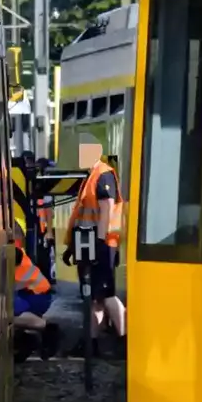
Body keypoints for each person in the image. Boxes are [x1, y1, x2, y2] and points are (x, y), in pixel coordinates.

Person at [61, 141, 127, 359]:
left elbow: (107, 209)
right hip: (90, 244)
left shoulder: (103, 174)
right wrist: (72, 246)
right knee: (96, 296)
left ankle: (124, 339)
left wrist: (99, 242)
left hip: (101, 245)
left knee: (105, 294)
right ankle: (91, 343)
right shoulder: (92, 175)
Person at [13, 246, 60, 360]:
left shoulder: (19, 269)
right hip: (35, 294)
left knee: (9, 317)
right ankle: (27, 341)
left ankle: (45, 329)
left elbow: (10, 287)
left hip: (36, 296)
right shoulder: (20, 257)